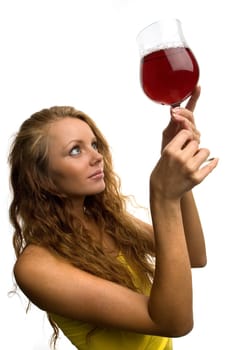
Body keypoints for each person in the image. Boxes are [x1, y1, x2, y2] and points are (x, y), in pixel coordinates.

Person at [8, 86, 218, 350]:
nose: (97, 157)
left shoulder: (107, 220)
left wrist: (174, 174)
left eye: (94, 145)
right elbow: (174, 323)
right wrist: (163, 199)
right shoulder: (35, 268)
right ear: (41, 178)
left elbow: (194, 255)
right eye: (75, 150)